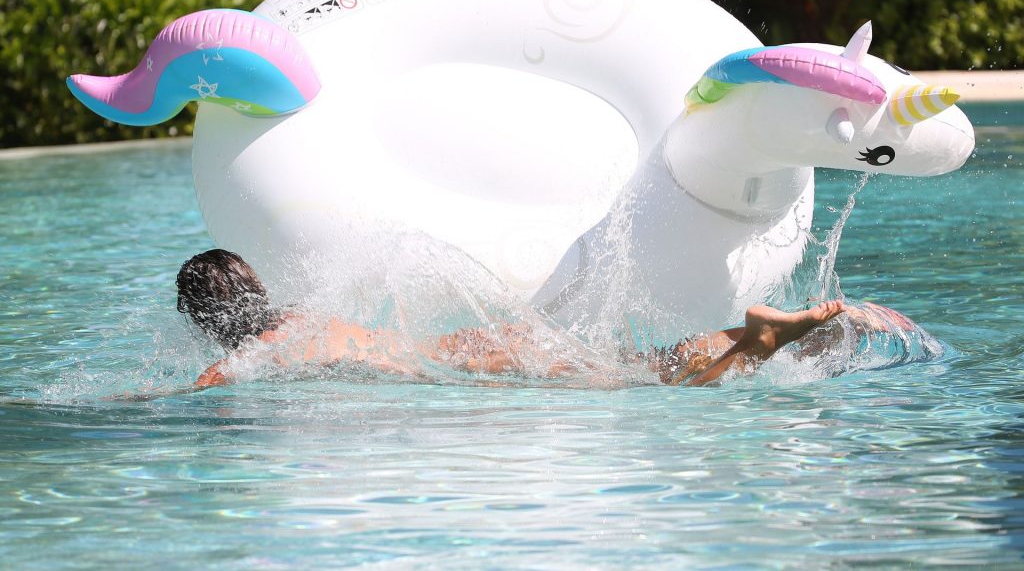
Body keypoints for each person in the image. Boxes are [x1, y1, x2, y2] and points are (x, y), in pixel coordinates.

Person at [176, 249, 851, 389]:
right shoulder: (302, 315)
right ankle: (760, 335)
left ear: (209, 318)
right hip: (478, 343)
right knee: (642, 367)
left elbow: (200, 388)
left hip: (476, 364)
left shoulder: (266, 349)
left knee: (651, 386)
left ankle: (762, 339)